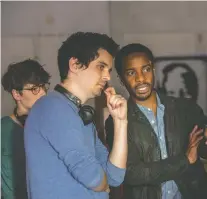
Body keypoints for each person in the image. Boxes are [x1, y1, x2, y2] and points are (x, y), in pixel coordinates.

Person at [24, 32, 128, 199]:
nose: (107, 76)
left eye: (108, 70)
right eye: (101, 66)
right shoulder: (52, 106)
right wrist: (103, 184)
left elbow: (115, 177)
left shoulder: (79, 114)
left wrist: (121, 121)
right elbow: (92, 177)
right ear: (75, 64)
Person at [105, 43, 207, 199]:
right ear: (121, 78)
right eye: (131, 72)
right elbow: (131, 174)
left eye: (146, 69)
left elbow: (202, 150)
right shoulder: (117, 122)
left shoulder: (186, 109)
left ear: (153, 69)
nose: (140, 78)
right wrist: (184, 160)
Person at [1, 59, 51, 199]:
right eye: (35, 89)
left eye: (43, 86)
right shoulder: (3, 129)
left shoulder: (51, 125)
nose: (43, 93)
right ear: (17, 94)